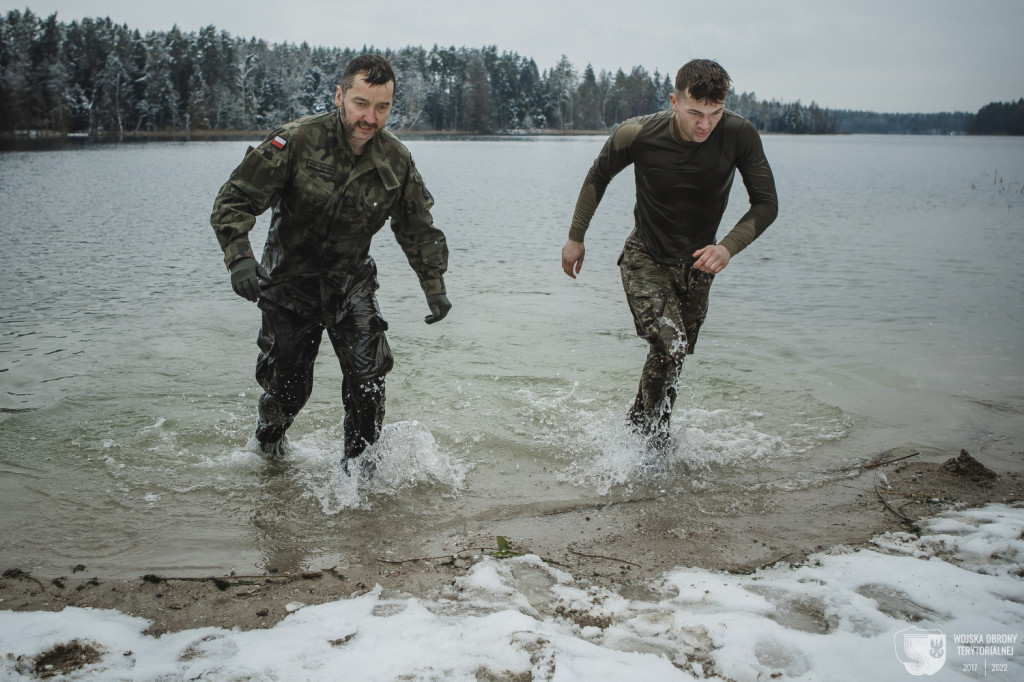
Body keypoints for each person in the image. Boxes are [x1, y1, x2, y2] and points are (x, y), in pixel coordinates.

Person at [211, 54, 451, 472]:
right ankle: (267, 452)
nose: (370, 117)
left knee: (368, 382)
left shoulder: (396, 159)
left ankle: (357, 477)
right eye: (361, 103)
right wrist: (240, 259)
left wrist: (434, 286)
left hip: (350, 287)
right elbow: (235, 200)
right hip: (288, 286)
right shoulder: (296, 141)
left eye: (382, 107)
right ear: (340, 96)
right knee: (288, 393)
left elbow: (417, 226)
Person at [560, 58, 777, 451]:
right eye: (695, 112)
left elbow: (766, 204)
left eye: (715, 113)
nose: (704, 125)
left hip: (698, 266)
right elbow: (597, 177)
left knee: (671, 355)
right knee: (670, 343)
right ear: (674, 101)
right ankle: (655, 440)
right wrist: (577, 237)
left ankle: (639, 430)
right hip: (646, 255)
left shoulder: (739, 135)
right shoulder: (638, 134)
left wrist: (727, 248)